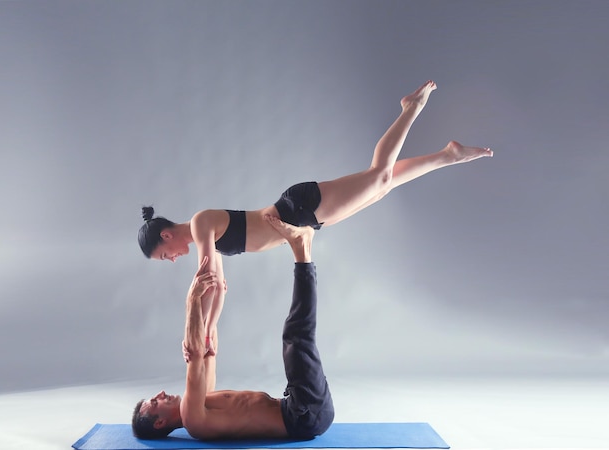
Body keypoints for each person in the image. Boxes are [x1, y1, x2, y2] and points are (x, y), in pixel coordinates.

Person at [137, 80, 493, 353]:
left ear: (166, 236)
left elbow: (208, 276)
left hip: (297, 208)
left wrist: (195, 324)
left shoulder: (200, 223)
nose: (171, 260)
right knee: (383, 185)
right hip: (303, 218)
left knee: (379, 175)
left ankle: (410, 108)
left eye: (164, 255)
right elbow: (220, 286)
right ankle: (448, 155)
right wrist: (212, 327)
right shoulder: (206, 237)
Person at [132, 216, 334, 440]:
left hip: (298, 406)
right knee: (296, 337)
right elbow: (196, 352)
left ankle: (302, 249)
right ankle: (302, 251)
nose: (160, 394)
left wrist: (215, 261)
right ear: (160, 422)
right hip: (303, 416)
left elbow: (207, 346)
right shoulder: (193, 418)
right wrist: (192, 300)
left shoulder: (202, 399)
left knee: (294, 337)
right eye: (155, 402)